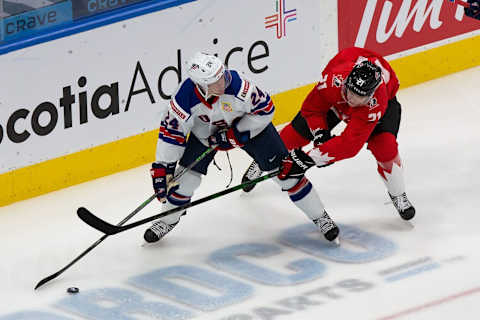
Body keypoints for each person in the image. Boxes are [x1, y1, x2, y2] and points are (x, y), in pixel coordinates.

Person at [145, 52, 340, 244]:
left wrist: (235, 135)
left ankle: (319, 216)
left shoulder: (239, 86)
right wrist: (164, 167)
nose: (222, 82)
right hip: (207, 136)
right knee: (183, 180)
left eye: (222, 75)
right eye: (215, 81)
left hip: (252, 130)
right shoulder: (183, 98)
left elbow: (266, 110)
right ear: (201, 86)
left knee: (286, 173)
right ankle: (167, 220)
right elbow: (171, 134)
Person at [242, 47, 415, 221]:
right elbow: (312, 108)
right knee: (293, 136)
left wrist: (308, 158)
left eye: (359, 96)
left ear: (371, 95)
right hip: (335, 99)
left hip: (379, 107)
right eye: (351, 92)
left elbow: (350, 145)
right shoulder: (333, 79)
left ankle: (398, 193)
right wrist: (320, 132)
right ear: (346, 81)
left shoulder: (376, 102)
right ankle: (262, 159)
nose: (352, 99)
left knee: (385, 147)